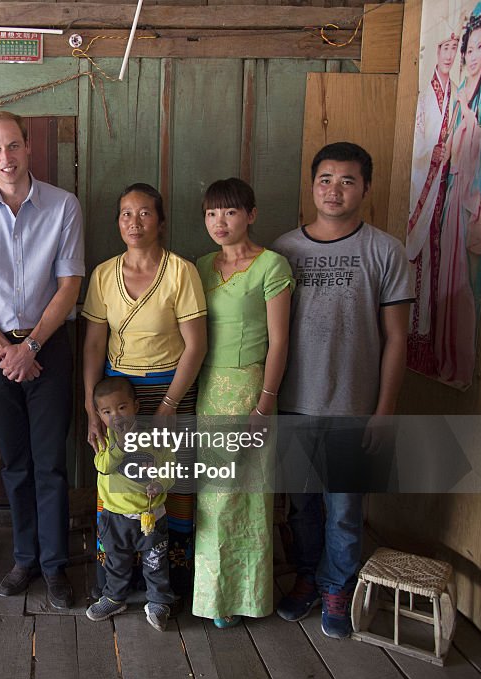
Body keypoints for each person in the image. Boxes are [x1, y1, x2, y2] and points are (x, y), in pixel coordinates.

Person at [272, 142, 411, 638]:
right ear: (312, 185)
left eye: (348, 180)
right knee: (302, 505)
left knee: (346, 509)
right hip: (292, 404)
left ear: (366, 189)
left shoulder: (385, 250)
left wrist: (384, 409)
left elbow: (397, 337)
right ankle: (308, 577)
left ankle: (338, 585)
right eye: (326, 179)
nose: (335, 190)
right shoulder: (284, 250)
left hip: (354, 406)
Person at [0, 111, 84, 608]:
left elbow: (70, 284)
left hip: (48, 347)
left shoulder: (63, 206)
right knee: (15, 463)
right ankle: (25, 558)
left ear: (28, 148)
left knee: (50, 463)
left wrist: (31, 347)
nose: (5, 158)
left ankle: (54, 565)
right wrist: (4, 350)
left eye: (13, 147)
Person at [81, 182, 207, 600]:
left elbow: (196, 344)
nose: (134, 222)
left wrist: (169, 404)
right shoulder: (103, 274)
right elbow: (95, 345)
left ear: (161, 221)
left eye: (144, 213)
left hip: (171, 392)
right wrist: (91, 408)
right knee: (120, 483)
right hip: (118, 397)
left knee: (168, 486)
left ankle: (169, 581)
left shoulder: (180, 271)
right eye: (125, 214)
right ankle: (119, 579)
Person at [193, 178, 293, 628]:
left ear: (251, 215)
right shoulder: (199, 265)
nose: (220, 222)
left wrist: (265, 404)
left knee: (249, 497)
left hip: (251, 389)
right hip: (208, 390)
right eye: (212, 214)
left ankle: (247, 597)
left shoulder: (272, 266)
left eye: (230, 212)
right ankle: (213, 598)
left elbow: (279, 342)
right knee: (212, 499)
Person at [432, 0, 481, 389]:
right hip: (455, 185)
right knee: (447, 280)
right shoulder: (463, 86)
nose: (474, 55)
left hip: (474, 191)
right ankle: (446, 360)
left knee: (468, 283)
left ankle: (464, 365)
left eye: (480, 47)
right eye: (469, 48)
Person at [85, 377, 173, 632]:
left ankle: (158, 602)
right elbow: (103, 466)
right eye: (107, 412)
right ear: (100, 416)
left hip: (151, 515)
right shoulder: (104, 438)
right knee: (116, 561)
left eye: (122, 408)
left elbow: (169, 464)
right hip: (115, 517)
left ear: (135, 405)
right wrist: (120, 446)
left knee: (156, 561)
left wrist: (160, 483)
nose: (116, 416)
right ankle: (114, 598)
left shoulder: (153, 435)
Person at [405, 18, 459, 375]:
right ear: (434, 53)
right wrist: (432, 155)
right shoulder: (425, 95)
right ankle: (414, 342)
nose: (450, 54)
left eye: (455, 48)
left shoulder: (455, 92)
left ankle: (432, 346)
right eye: (445, 48)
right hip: (425, 188)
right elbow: (418, 149)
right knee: (419, 262)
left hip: (443, 190)